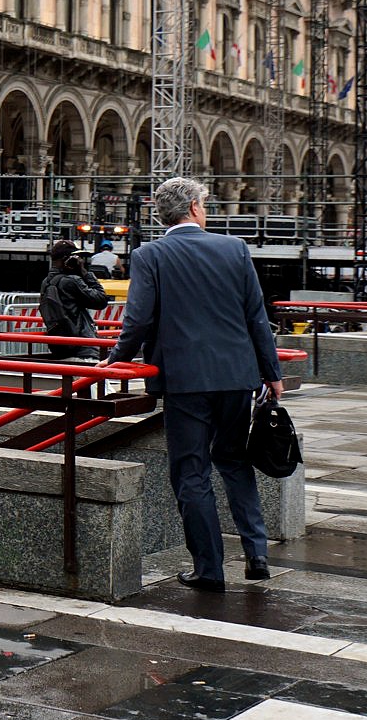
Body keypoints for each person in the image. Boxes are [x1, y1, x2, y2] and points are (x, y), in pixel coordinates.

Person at [106, 177, 283, 593]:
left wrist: (118, 359)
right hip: (237, 376)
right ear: (195, 208)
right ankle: (256, 552)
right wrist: (271, 373)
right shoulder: (234, 248)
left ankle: (209, 568)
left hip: (185, 380)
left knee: (191, 472)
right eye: (204, 202)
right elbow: (257, 316)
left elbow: (139, 319)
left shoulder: (150, 254)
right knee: (235, 461)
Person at [39, 240, 113, 361]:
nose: (80, 261)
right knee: (97, 380)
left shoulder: (46, 282)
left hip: (61, 348)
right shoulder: (71, 280)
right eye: (76, 257)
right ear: (66, 259)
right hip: (83, 348)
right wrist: (84, 272)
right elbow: (101, 300)